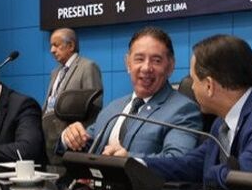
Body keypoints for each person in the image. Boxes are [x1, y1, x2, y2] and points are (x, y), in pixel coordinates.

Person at [131, 34, 252, 190]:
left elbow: (246, 178)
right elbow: (193, 163)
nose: (192, 87)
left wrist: (211, 171)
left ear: (209, 86)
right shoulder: (222, 121)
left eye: (194, 80)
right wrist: (137, 164)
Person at [58, 26, 201, 159]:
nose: (146, 67)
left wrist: (128, 160)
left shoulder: (183, 110)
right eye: (139, 59)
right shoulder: (113, 108)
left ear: (170, 67)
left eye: (156, 61)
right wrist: (69, 137)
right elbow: (86, 147)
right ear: (128, 64)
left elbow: (177, 160)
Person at [42, 28, 103, 164]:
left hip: (72, 144)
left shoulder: (87, 67)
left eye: (56, 45)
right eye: (51, 45)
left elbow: (95, 106)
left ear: (71, 46)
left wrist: (79, 137)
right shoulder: (55, 72)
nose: (52, 50)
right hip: (48, 141)